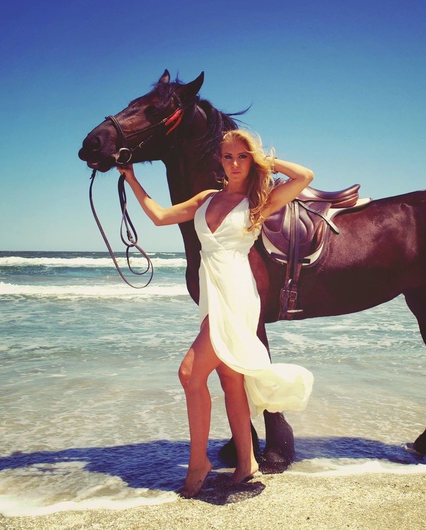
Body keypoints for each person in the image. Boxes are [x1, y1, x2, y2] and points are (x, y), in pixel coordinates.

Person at [117, 129, 315, 498]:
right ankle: (247, 463)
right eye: (228, 156)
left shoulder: (260, 201)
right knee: (229, 380)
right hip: (212, 292)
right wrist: (131, 179)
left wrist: (265, 160)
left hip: (237, 293)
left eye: (242, 157)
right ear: (219, 161)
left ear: (251, 161)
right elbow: (160, 216)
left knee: (190, 373)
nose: (235, 163)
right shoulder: (207, 198)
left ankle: (199, 464)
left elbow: (304, 177)